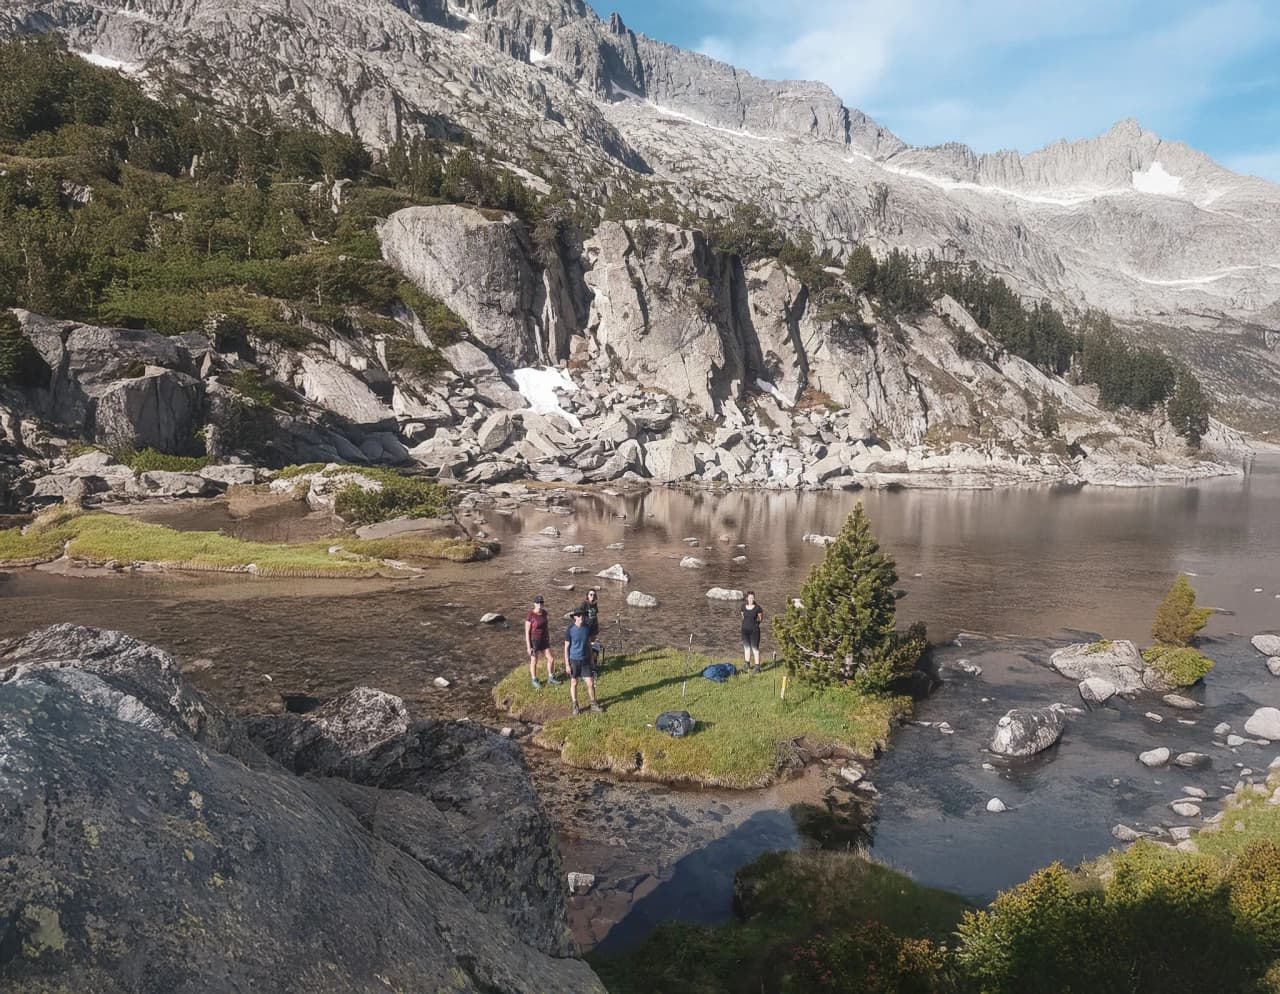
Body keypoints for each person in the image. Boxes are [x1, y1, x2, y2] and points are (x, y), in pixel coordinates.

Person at [564, 609, 603, 714]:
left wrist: (591, 659)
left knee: (590, 683)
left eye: (583, 615)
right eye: (580, 615)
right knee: (574, 682)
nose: (582, 617)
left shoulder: (587, 628)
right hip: (574, 660)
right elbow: (566, 648)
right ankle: (575, 705)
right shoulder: (570, 630)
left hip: (585, 659)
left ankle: (593, 704)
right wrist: (567, 664)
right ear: (575, 617)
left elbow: (588, 644)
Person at [526, 595, 558, 688]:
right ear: (534, 604)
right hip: (534, 640)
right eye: (538, 602)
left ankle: (551, 677)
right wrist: (529, 647)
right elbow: (527, 633)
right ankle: (534, 679)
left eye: (541, 602)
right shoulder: (530, 615)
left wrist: (548, 637)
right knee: (534, 660)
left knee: (551, 659)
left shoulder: (544, 613)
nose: (540, 604)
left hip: (544, 640)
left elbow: (546, 627)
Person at [577, 588, 601, 671]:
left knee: (593, 645)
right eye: (591, 594)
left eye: (594, 595)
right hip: (586, 628)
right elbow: (579, 614)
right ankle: (586, 663)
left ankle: (593, 662)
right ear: (587, 595)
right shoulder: (584, 604)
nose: (592, 596)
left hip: (594, 628)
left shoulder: (595, 604)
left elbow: (595, 615)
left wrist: (597, 626)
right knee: (587, 646)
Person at [741, 591, 764, 672]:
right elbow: (743, 616)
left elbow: (760, 618)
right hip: (744, 630)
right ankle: (747, 664)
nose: (751, 599)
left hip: (754, 631)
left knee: (755, 648)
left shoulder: (758, 608)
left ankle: (757, 667)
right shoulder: (743, 606)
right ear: (747, 598)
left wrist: (756, 624)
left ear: (754, 598)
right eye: (750, 598)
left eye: (752, 598)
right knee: (746, 648)